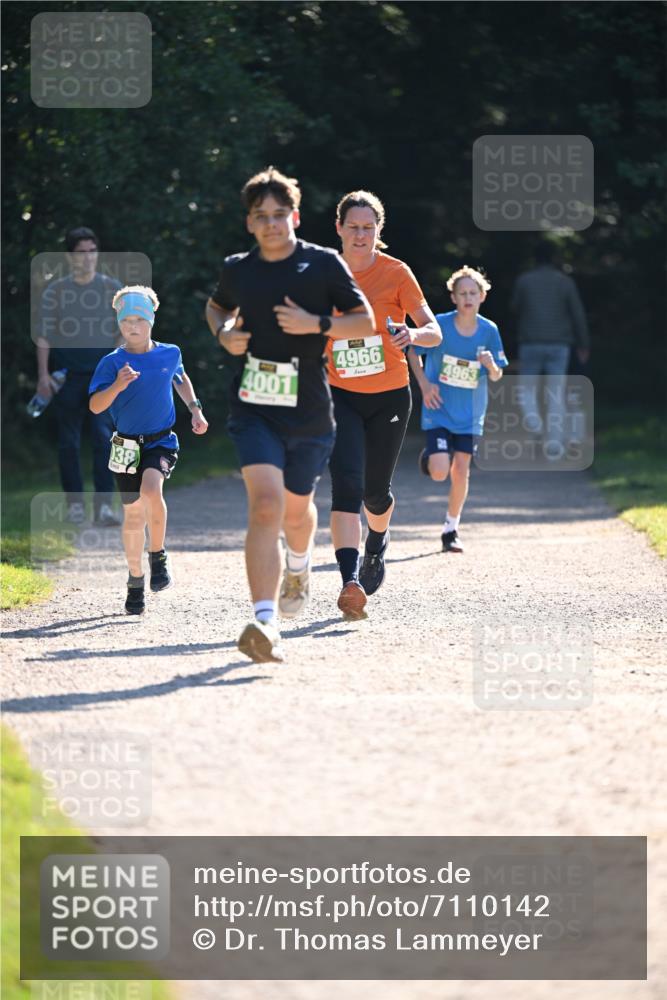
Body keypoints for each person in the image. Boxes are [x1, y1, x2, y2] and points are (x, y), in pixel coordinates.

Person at [205, 167, 374, 663]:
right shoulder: (239, 268)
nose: (273, 224)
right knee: (265, 506)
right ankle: (264, 622)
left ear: (295, 216)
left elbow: (364, 321)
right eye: (262, 217)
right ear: (250, 223)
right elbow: (216, 308)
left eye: (281, 215)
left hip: (309, 411)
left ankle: (299, 566)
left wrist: (315, 323)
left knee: (297, 513)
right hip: (254, 405)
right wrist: (223, 334)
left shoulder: (321, 264)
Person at [326, 191, 441, 620]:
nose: (360, 235)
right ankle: (349, 580)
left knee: (375, 494)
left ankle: (376, 543)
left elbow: (433, 329)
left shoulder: (396, 273)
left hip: (390, 395)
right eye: (353, 226)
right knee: (346, 487)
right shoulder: (322, 272)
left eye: (368, 227)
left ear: (379, 230)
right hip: (339, 395)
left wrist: (412, 336)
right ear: (339, 228)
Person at [89, 285, 208, 614]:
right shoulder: (112, 362)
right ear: (119, 323)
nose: (133, 326)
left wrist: (195, 410)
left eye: (140, 319)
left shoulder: (169, 353)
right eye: (127, 320)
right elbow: (96, 407)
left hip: (160, 441)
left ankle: (157, 555)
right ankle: (135, 580)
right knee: (132, 517)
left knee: (152, 489)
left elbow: (180, 378)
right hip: (125, 446)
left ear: (152, 320)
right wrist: (117, 385)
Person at [408, 265, 507, 553]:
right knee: (440, 472)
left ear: (482, 296)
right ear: (453, 297)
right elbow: (413, 350)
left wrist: (490, 366)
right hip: (438, 407)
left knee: (461, 471)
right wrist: (425, 385)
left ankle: (451, 529)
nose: (467, 297)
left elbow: (497, 373)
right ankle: (432, 457)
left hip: (471, 414)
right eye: (461, 293)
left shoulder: (489, 331)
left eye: (473, 292)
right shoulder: (439, 325)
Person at [36, 226, 122, 525]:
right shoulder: (56, 291)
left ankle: (103, 508)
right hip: (67, 377)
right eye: (80, 253)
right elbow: (45, 336)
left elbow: (122, 334)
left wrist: (117, 370)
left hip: (103, 380)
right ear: (70, 257)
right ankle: (74, 506)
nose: (87, 258)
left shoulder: (112, 289)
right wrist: (42, 376)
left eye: (91, 251)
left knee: (104, 440)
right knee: (68, 443)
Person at [511, 242, 590, 458]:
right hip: (559, 345)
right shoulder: (565, 282)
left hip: (530, 342)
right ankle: (555, 445)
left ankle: (536, 426)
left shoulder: (524, 281)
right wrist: (583, 344)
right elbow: (577, 314)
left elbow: (515, 309)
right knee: (556, 394)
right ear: (554, 258)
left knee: (526, 391)